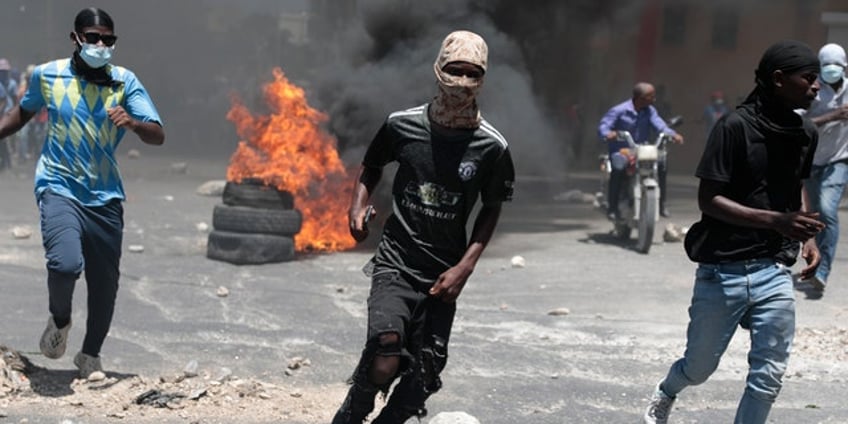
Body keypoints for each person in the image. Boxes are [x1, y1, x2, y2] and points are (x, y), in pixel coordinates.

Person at [332, 30, 514, 424]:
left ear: (483, 77)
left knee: (426, 372)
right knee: (385, 350)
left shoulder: (492, 147)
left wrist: (464, 268)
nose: (462, 82)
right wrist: (357, 207)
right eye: (454, 70)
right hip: (396, 261)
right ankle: (353, 412)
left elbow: (492, 208)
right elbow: (372, 166)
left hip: (443, 273)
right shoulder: (402, 125)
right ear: (438, 69)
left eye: (472, 73)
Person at [643, 40, 823, 424]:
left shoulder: (806, 132)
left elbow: (797, 185)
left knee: (768, 375)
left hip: (774, 269)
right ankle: (668, 389)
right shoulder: (734, 127)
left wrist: (806, 235)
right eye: (808, 79)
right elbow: (709, 200)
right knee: (699, 368)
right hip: (722, 270)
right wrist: (777, 221)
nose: (817, 87)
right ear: (778, 79)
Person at [0, 8, 164, 379]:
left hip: (105, 196)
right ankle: (60, 320)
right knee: (65, 264)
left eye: (108, 39)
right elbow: (21, 115)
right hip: (58, 185)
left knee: (105, 283)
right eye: (93, 37)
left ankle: (90, 356)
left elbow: (157, 133)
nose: (101, 45)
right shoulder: (47, 75)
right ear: (75, 38)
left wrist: (134, 123)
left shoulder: (124, 82)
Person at [799, 43, 848, 293]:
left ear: (844, 66)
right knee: (814, 216)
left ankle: (824, 271)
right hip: (811, 160)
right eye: (826, 66)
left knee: (828, 210)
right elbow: (798, 121)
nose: (831, 70)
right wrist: (832, 115)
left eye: (836, 66)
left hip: (839, 159)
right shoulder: (813, 88)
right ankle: (813, 265)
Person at [598, 82, 684, 219]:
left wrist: (672, 134)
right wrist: (608, 133)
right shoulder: (619, 111)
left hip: (641, 149)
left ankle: (661, 204)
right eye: (651, 97)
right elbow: (604, 126)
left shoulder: (650, 111)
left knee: (661, 165)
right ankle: (612, 208)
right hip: (622, 150)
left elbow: (660, 125)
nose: (654, 99)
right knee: (618, 169)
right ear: (641, 98)